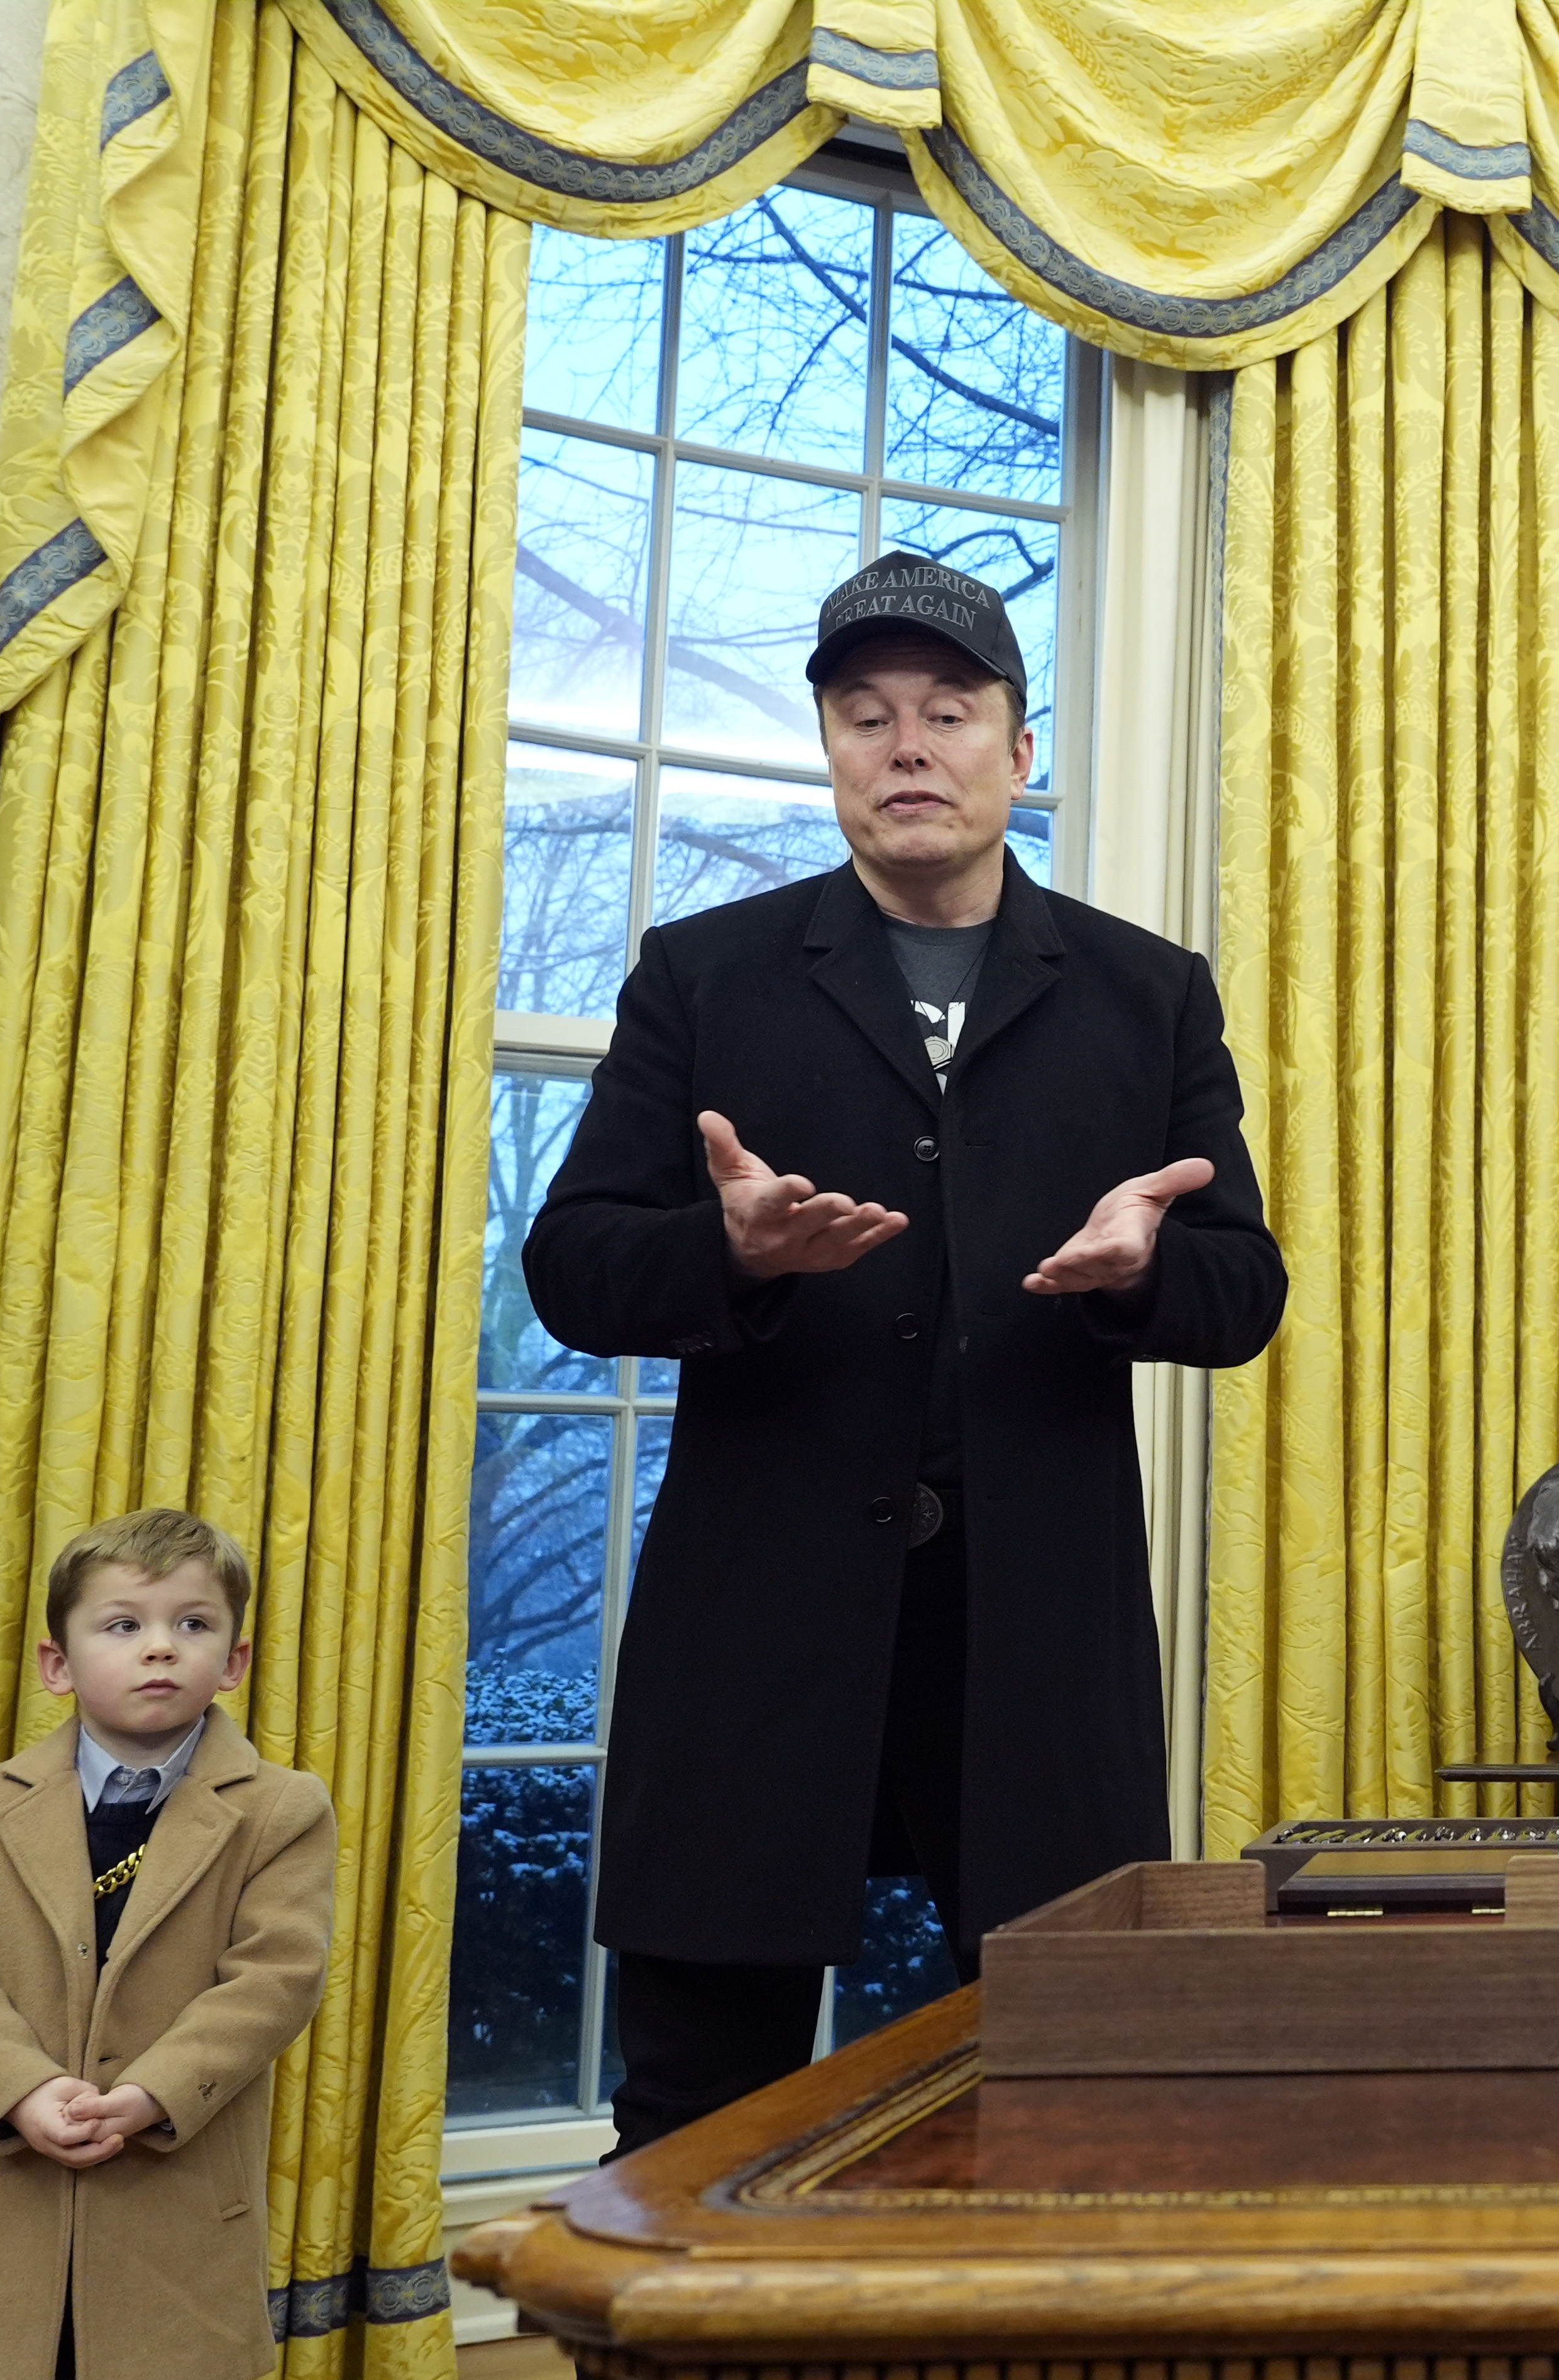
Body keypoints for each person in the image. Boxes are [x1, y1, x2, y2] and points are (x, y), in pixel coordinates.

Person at [524, 552, 1284, 2152]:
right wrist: (722, 1254)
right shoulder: (704, 973)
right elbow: (574, 1268)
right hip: (758, 1631)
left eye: (950, 711)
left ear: (1023, 752)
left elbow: (1246, 1289)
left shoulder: (1149, 996)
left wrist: (1143, 1273)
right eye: (866, 717)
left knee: (1075, 2100)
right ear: (831, 753)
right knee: (692, 2119)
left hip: (1038, 1646)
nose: (908, 746)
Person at [0, 1511, 336, 2380]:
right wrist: (25, 2088)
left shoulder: (283, 1809)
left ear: (234, 1661)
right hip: (0, 2199)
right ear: (59, 1663)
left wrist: (150, 2093)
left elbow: (275, 1980)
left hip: (172, 2201)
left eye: (192, 1624)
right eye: (124, 1624)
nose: (159, 1647)